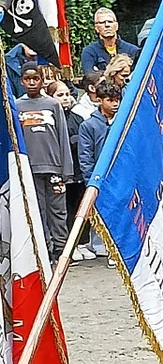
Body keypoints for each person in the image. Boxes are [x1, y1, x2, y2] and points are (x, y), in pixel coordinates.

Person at [16, 63, 72, 260]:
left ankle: (61, 249)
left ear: (41, 80)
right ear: (22, 81)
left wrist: (67, 168)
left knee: (58, 209)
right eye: (27, 79)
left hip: (54, 166)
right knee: (37, 208)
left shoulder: (52, 104)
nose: (32, 82)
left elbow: (63, 136)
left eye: (35, 78)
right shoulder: (16, 106)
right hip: (30, 169)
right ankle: (43, 248)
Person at [50, 81, 90, 262]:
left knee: (79, 206)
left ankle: (81, 242)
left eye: (67, 94)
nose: (65, 98)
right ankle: (65, 244)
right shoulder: (51, 118)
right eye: (60, 95)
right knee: (62, 209)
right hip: (59, 170)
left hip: (78, 171)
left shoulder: (77, 118)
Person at [79, 7, 139, 74]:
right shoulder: (89, 51)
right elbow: (90, 75)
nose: (107, 25)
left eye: (110, 22)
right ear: (96, 28)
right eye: (102, 22)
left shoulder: (133, 50)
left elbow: (138, 74)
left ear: (116, 26)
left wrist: (101, 73)